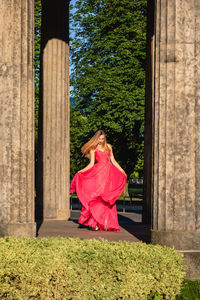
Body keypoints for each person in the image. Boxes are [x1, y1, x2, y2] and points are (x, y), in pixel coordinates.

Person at [69, 130, 127, 232]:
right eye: (99, 139)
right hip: (99, 175)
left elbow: (113, 160)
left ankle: (106, 223)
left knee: (108, 199)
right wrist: (80, 171)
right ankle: (94, 223)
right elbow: (91, 164)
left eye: (103, 139)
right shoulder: (93, 149)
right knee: (98, 198)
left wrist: (122, 170)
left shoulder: (108, 147)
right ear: (96, 139)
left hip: (109, 175)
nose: (101, 141)